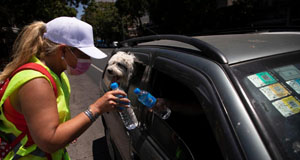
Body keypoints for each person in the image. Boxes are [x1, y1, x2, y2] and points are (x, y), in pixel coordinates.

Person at [0, 16, 130, 160]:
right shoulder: (36, 82)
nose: (88, 60)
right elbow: (50, 141)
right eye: (84, 54)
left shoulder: (58, 75)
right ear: (63, 51)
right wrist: (96, 108)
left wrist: (67, 132)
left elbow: (54, 126)